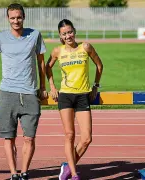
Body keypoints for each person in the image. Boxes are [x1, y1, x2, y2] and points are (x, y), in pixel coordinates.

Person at [0, 3, 47, 180]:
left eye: (19, 17)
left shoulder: (35, 35)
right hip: (7, 94)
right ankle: (14, 173)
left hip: (30, 93)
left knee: (29, 137)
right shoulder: (0, 38)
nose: (16, 20)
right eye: (12, 18)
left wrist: (43, 86)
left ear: (24, 17)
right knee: (9, 138)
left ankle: (24, 172)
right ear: (8, 19)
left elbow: (41, 62)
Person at [46, 19, 103, 180]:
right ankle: (74, 173)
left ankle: (67, 166)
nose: (68, 36)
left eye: (70, 32)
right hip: (65, 96)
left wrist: (96, 86)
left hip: (83, 96)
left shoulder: (85, 47)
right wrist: (52, 86)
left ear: (74, 31)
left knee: (86, 138)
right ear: (60, 36)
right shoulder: (58, 51)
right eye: (64, 34)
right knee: (69, 135)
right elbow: (47, 68)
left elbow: (99, 65)